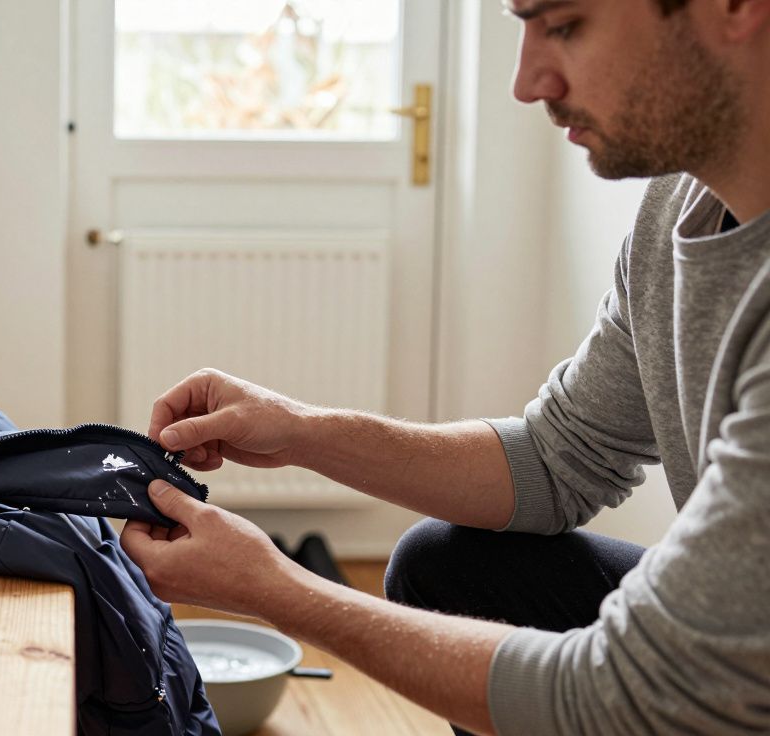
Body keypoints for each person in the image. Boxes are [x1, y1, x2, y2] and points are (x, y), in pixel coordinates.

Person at [118, 0, 770, 733]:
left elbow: (619, 697)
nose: (527, 83)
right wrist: (298, 430)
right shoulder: (672, 211)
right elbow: (557, 461)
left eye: (563, 26)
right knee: (450, 565)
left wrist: (278, 590)